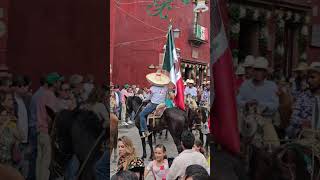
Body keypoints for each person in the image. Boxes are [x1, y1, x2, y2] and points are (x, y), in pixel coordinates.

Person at [237, 57, 280, 146]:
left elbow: (275, 105)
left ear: (265, 72)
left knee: (274, 145)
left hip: (264, 120)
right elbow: (238, 99)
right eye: (256, 70)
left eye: (260, 70)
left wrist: (261, 105)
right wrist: (246, 103)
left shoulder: (272, 86)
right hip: (246, 119)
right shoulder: (246, 84)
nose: (257, 73)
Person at [36, 73, 62, 180]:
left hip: (39, 131)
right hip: (47, 132)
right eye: (58, 81)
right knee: (46, 163)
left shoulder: (41, 95)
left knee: (39, 162)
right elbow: (51, 116)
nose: (59, 83)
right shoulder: (50, 96)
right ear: (54, 83)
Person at [286, 62, 320, 138]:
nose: (309, 80)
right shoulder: (303, 96)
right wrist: (302, 122)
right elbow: (293, 118)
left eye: (313, 77)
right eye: (308, 77)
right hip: (304, 134)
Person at [140, 71, 170, 138]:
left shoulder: (152, 88)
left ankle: (145, 130)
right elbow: (166, 97)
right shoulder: (165, 88)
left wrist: (144, 100)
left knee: (141, 114)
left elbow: (149, 97)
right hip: (163, 104)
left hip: (154, 104)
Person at [0, 91, 22, 166]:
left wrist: (16, 142)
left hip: (10, 159)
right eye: (9, 100)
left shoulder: (12, 118)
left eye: (12, 99)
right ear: (2, 103)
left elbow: (21, 136)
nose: (12, 102)